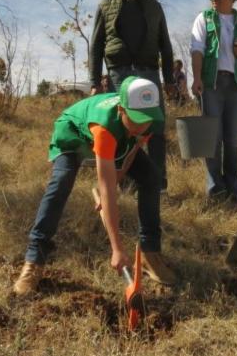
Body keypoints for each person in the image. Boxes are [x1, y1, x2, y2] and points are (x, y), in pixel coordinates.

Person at [12, 76, 176, 297]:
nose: (141, 125)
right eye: (136, 119)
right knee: (62, 181)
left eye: (145, 120)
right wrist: (117, 250)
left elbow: (131, 152)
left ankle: (149, 254)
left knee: (151, 176)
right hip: (72, 133)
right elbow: (107, 187)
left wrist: (117, 179)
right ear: (121, 109)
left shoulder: (146, 117)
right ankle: (34, 260)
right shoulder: (105, 128)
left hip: (117, 137)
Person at [89, 0, 175, 191]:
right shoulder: (106, 6)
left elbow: (165, 45)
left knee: (155, 128)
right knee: (122, 128)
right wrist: (94, 81)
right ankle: (126, 183)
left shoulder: (154, 8)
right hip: (119, 73)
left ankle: (158, 184)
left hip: (148, 73)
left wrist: (169, 79)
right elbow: (96, 46)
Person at [190, 0, 237, 204]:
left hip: (236, 85)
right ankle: (215, 190)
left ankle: (233, 191)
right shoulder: (203, 18)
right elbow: (197, 49)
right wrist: (197, 77)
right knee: (212, 138)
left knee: (232, 139)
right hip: (212, 84)